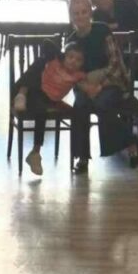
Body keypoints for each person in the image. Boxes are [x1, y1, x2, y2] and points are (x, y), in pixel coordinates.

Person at [68, 0, 138, 172]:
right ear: (71, 16)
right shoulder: (72, 40)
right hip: (85, 84)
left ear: (90, 13)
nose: (80, 16)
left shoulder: (102, 30)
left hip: (110, 80)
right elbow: (70, 72)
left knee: (102, 103)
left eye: (84, 12)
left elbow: (115, 62)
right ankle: (82, 157)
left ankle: (130, 142)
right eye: (76, 13)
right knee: (80, 106)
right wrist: (87, 87)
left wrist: (100, 85)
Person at [12, 43, 87, 175]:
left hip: (50, 100)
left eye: (78, 60)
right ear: (64, 56)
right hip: (33, 92)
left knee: (76, 112)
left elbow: (90, 86)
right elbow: (47, 43)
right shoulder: (55, 61)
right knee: (41, 62)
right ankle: (36, 152)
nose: (73, 61)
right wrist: (59, 54)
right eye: (70, 57)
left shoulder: (78, 75)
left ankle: (80, 155)